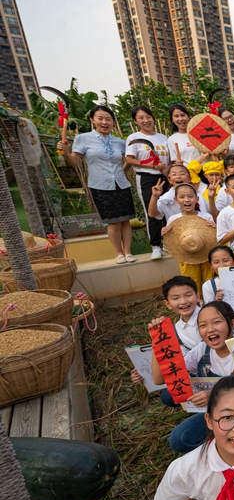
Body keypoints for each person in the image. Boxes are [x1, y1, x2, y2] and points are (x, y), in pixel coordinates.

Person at [149, 301, 234, 453]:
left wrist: (215, 395)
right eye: (202, 325)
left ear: (232, 323)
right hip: (217, 410)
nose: (210, 329)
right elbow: (160, 380)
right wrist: (158, 342)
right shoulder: (203, 349)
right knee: (179, 439)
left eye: (217, 322)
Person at [58, 105, 136, 264]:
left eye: (108, 119)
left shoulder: (120, 142)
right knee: (113, 222)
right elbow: (74, 162)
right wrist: (66, 152)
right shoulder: (83, 138)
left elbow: (129, 160)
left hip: (121, 184)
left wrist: (121, 171)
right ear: (92, 120)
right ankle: (118, 253)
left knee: (126, 220)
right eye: (100, 118)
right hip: (100, 185)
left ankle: (128, 251)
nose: (104, 122)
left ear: (113, 122)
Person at [129, 275, 203, 401]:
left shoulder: (209, 317)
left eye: (188, 295)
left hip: (217, 371)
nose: (183, 301)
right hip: (197, 372)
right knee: (168, 396)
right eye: (176, 298)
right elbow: (174, 359)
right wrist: (144, 371)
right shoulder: (175, 329)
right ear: (167, 304)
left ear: (198, 297)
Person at [125, 106, 170, 260]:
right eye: (141, 118)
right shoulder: (133, 138)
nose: (146, 120)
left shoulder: (163, 138)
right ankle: (156, 245)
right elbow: (129, 159)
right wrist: (152, 166)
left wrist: (167, 170)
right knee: (152, 211)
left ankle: (167, 242)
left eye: (148, 117)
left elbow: (168, 159)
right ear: (135, 121)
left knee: (167, 209)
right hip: (146, 177)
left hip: (165, 177)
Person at [160, 182, 217, 291]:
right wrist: (164, 234)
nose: (187, 200)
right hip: (186, 257)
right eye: (182, 197)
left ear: (197, 199)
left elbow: (215, 237)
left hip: (206, 255)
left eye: (190, 196)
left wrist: (215, 228)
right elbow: (171, 240)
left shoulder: (206, 216)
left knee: (209, 282)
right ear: (176, 200)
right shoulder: (173, 220)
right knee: (191, 283)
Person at [203, 245, 234, 336]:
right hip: (227, 326)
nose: (222, 265)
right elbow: (209, 314)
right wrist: (217, 302)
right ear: (211, 265)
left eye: (226, 260)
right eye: (216, 262)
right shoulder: (208, 286)